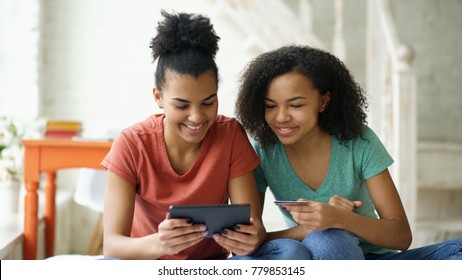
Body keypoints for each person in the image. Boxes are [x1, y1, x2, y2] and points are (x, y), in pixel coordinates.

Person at [101, 11, 310, 260]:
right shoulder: (132, 143)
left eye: (208, 102)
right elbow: (113, 245)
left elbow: (253, 227)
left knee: (291, 253)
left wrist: (249, 239)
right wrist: (161, 244)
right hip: (148, 264)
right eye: (181, 106)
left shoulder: (230, 134)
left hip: (211, 266)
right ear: (158, 97)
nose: (197, 117)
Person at [235, 45, 462, 260]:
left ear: (323, 101)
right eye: (270, 106)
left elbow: (401, 236)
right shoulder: (263, 151)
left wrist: (341, 219)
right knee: (321, 241)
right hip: (319, 257)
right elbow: (253, 240)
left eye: (295, 105)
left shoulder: (358, 141)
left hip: (375, 260)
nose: (281, 117)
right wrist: (319, 226)